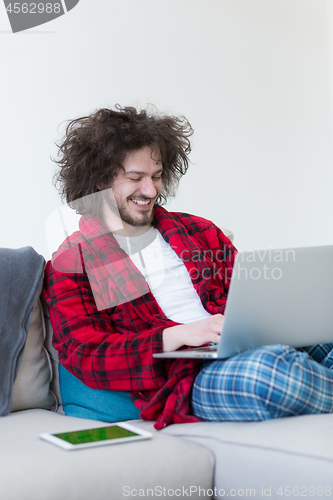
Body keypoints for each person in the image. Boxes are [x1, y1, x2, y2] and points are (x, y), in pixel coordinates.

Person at [43, 105, 333, 430]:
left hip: (249, 343)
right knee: (266, 374)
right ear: (99, 181)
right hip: (189, 378)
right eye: (136, 178)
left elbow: (252, 299)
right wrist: (178, 335)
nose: (151, 191)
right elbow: (86, 354)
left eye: (156, 176)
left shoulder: (199, 230)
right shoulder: (72, 260)